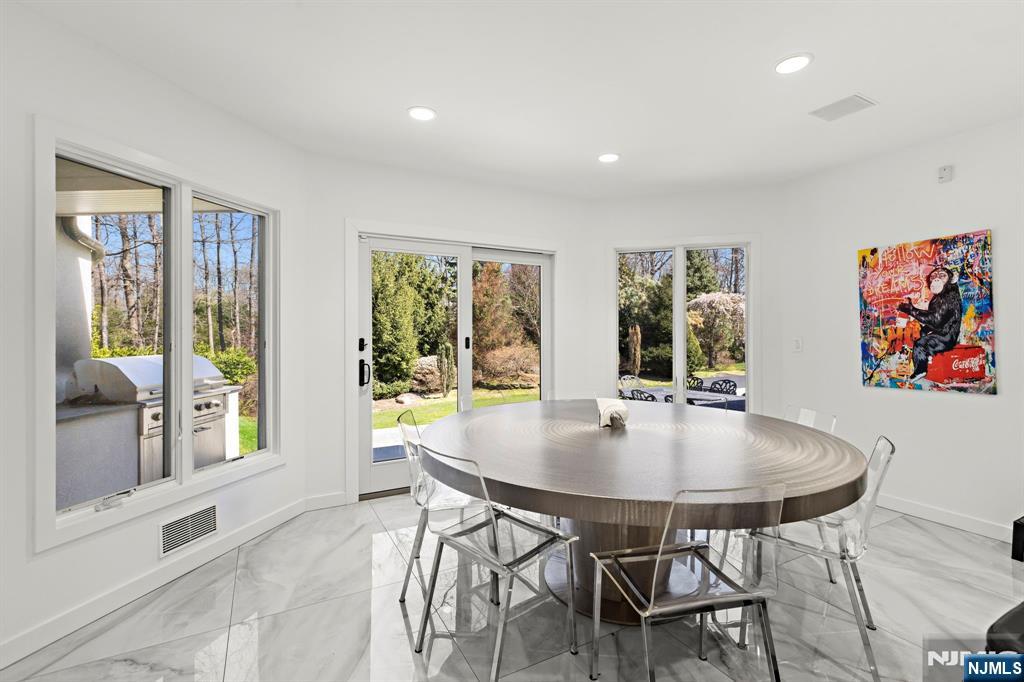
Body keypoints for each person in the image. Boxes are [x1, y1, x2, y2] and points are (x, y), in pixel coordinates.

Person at [897, 267, 962, 379]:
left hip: (947, 336)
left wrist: (911, 310)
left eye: (942, 276)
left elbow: (935, 320)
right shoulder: (940, 297)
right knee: (922, 333)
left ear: (950, 280)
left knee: (920, 344)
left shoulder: (949, 296)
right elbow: (937, 318)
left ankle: (920, 371)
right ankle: (928, 357)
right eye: (933, 276)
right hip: (942, 332)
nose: (936, 279)